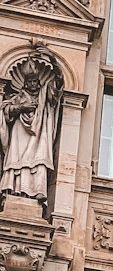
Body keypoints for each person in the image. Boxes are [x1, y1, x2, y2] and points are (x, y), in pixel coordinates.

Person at [0, 48, 63, 209]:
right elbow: (6, 110)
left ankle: (36, 191)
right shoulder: (18, 96)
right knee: (17, 161)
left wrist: (53, 61)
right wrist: (21, 107)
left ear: (39, 81)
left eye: (35, 81)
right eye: (29, 81)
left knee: (38, 161)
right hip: (19, 133)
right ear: (25, 82)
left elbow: (59, 82)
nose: (32, 84)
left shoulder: (45, 94)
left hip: (39, 133)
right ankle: (14, 191)